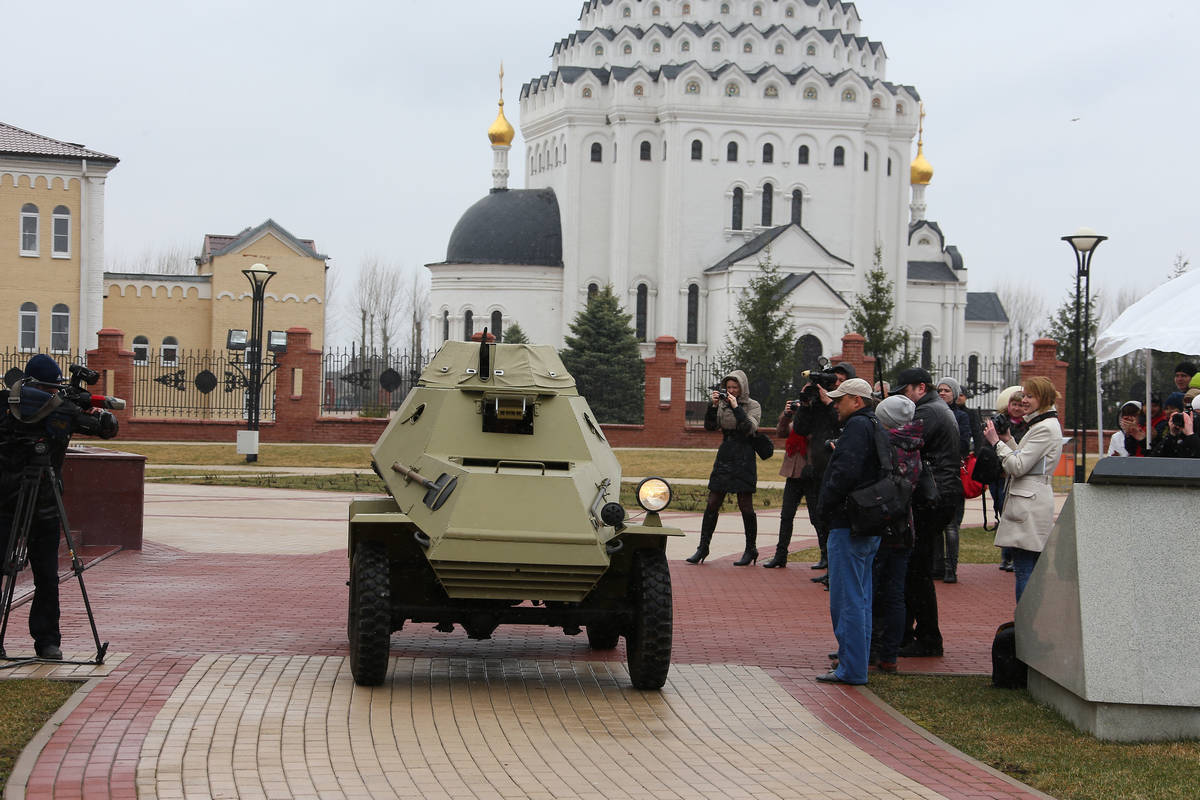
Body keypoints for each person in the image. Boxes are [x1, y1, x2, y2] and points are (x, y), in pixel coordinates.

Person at [0, 355, 116, 660]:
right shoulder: (62, 409)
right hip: (43, 503)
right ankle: (47, 643)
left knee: (21, 573)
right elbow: (107, 428)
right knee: (47, 577)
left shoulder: (4, 402)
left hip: (6, 499)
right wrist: (80, 407)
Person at [814, 378, 884, 685]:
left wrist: (825, 504)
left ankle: (851, 668)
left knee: (847, 599)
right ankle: (855, 663)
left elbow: (846, 471)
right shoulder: (875, 425)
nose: (836, 405)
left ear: (857, 400)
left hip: (849, 523)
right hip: (868, 522)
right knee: (861, 597)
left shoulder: (857, 427)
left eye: (840, 400)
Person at [894, 367, 961, 658]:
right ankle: (911, 634)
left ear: (920, 387)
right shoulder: (937, 407)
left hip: (933, 497)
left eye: (905, 391)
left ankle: (928, 638)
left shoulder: (929, 412)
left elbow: (904, 441)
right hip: (939, 495)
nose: (903, 398)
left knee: (917, 571)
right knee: (915, 570)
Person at [983, 376, 1063, 602]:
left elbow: (1018, 466)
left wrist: (995, 443)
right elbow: (1029, 459)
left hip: (1029, 503)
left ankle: (1026, 624)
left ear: (1043, 398)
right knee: (1027, 568)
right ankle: (1029, 624)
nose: (1024, 400)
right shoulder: (1043, 424)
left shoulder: (1044, 427)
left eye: (1030, 396)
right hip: (1031, 499)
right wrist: (1008, 440)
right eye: (1024, 395)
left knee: (1025, 570)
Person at [869, 394, 923, 674]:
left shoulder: (885, 444)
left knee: (871, 590)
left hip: (881, 525)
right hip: (905, 526)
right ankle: (890, 654)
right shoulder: (914, 444)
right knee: (895, 593)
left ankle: (868, 649)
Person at [687, 370, 762, 566]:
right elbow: (710, 427)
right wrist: (712, 406)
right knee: (713, 501)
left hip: (744, 455)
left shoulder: (753, 405)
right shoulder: (721, 404)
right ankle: (703, 548)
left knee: (745, 504)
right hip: (726, 454)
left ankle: (751, 549)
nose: (731, 391)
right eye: (728, 387)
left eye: (735, 387)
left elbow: (748, 428)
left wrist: (737, 407)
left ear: (742, 388)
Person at [790, 368, 849, 579]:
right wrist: (806, 405)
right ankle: (826, 557)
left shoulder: (845, 404)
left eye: (841, 381)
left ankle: (834, 568)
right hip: (817, 465)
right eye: (835, 380)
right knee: (819, 516)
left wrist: (829, 403)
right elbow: (800, 429)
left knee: (835, 519)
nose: (836, 384)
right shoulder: (818, 401)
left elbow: (842, 424)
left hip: (836, 468)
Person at [763, 397, 814, 568]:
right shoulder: (794, 421)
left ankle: (826, 556)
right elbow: (781, 432)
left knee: (816, 517)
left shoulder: (816, 418)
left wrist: (803, 415)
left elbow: (811, 434)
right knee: (786, 516)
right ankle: (780, 555)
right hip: (793, 474)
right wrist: (786, 415)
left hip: (810, 474)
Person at [933, 377, 971, 583]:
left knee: (951, 524)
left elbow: (965, 443)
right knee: (936, 523)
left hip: (952, 473)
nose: (942, 393)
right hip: (934, 473)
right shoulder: (932, 413)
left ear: (955, 394)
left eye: (947, 390)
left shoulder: (961, 416)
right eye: (939, 389)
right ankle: (937, 565)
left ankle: (951, 568)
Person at [990, 386, 1029, 571]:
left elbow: (1020, 452)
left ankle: (1011, 555)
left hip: (1012, 472)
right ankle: (1006, 556)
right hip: (998, 473)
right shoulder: (1001, 421)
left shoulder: (1028, 426)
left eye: (1020, 405)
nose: (1016, 408)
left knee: (1011, 514)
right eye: (1014, 404)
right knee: (1001, 511)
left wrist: (1007, 439)